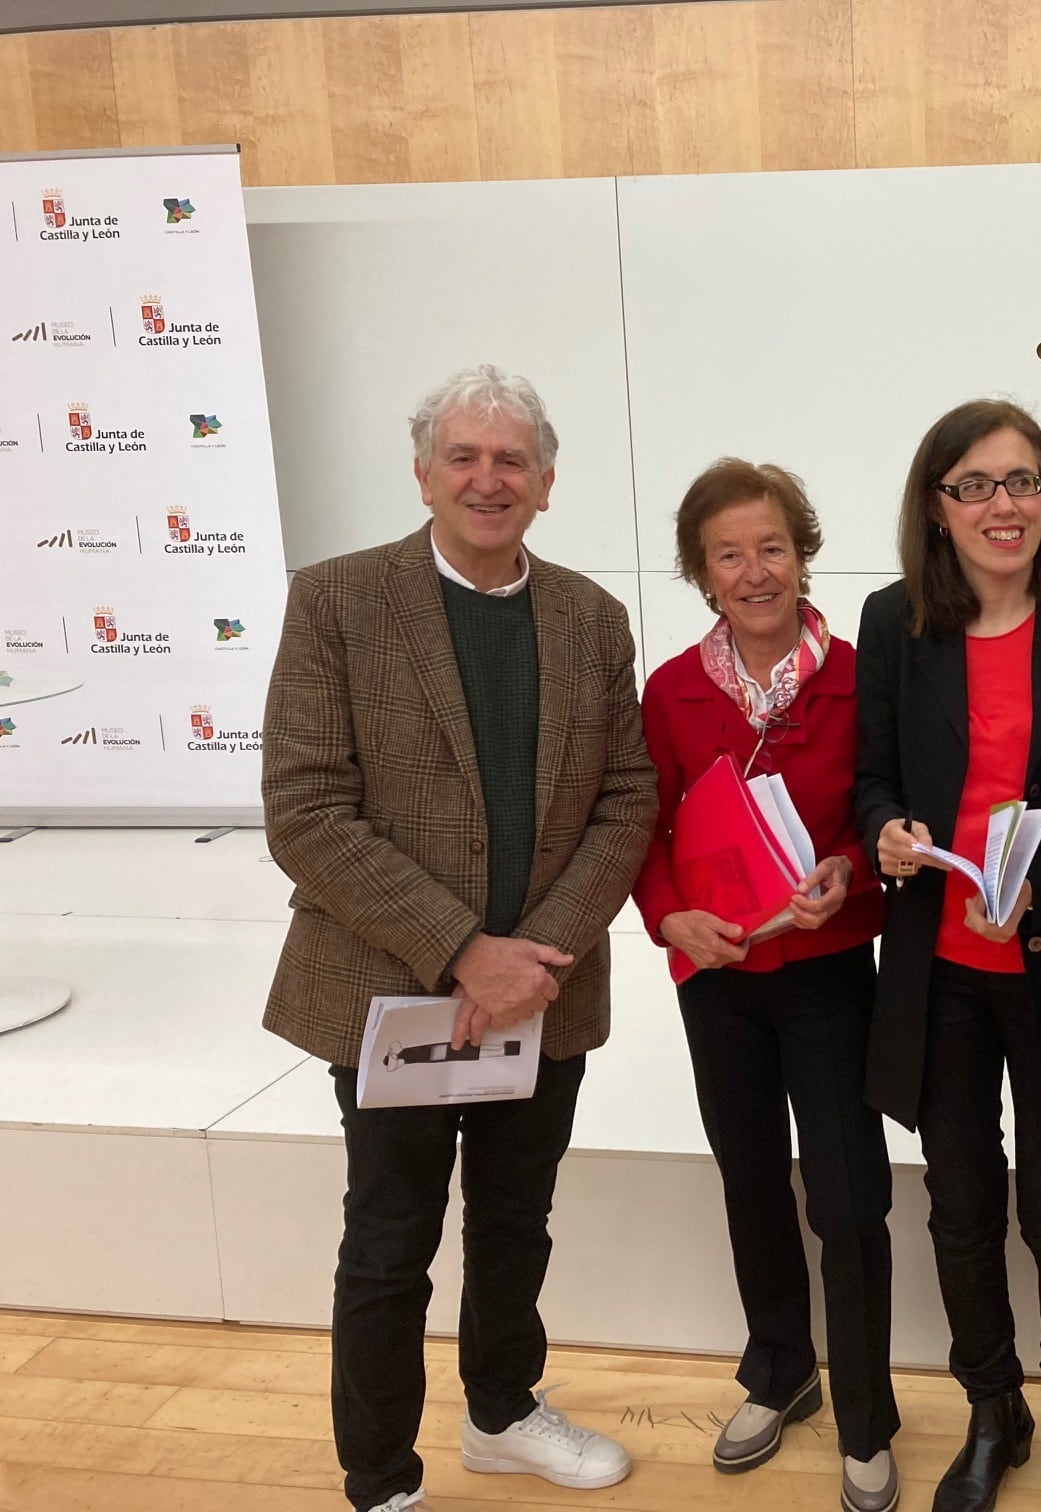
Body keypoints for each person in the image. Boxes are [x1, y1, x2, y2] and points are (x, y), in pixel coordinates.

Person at [261, 365, 657, 1512]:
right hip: (395, 995)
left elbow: (628, 797)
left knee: (515, 1222)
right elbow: (306, 810)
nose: (490, 479)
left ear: (545, 483)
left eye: (513, 460)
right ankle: (381, 1478)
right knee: (389, 1242)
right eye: (466, 457)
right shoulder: (338, 601)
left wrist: (533, 956)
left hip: (545, 993)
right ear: (425, 472)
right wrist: (460, 951)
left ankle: (501, 1413)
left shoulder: (590, 618)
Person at [855, 398, 1041, 1512]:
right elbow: (872, 777)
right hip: (940, 969)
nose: (1001, 505)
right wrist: (887, 831)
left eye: (1021, 481)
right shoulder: (896, 624)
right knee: (959, 1203)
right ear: (937, 509)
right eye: (974, 485)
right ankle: (994, 1409)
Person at [631, 458, 901, 1512]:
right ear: (703, 573)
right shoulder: (672, 692)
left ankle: (868, 1417)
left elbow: (885, 817)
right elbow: (643, 834)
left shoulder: (861, 676)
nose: (755, 571)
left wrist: (855, 873)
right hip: (719, 976)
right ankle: (780, 1368)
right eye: (730, 554)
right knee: (749, 1177)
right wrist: (668, 916)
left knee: (848, 1197)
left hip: (830, 972)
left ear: (804, 552)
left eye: (773, 547)